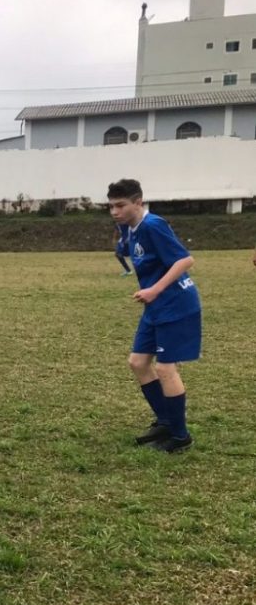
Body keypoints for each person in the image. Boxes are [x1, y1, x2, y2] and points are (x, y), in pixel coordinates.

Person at [108, 179, 200, 453]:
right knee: (138, 362)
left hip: (176, 303)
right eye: (111, 206)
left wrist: (155, 289)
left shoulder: (153, 225)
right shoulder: (131, 228)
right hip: (156, 307)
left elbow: (185, 260)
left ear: (139, 202)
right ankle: (166, 421)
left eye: (120, 206)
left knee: (164, 368)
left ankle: (180, 436)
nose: (114, 211)